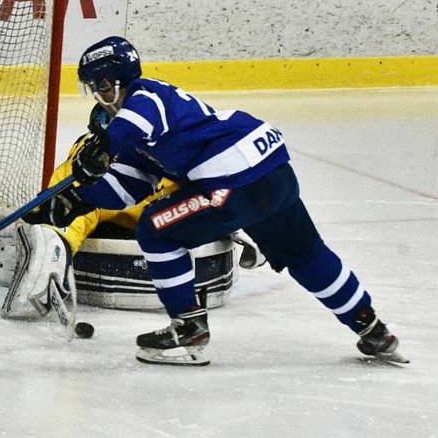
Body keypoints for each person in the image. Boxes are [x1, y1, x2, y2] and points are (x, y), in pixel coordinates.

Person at [24, 35, 406, 366]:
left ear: (116, 82)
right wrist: (73, 202)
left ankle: (188, 329)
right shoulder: (141, 138)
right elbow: (128, 188)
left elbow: (132, 124)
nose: (101, 99)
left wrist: (105, 148)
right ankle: (373, 330)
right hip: (271, 173)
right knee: (305, 254)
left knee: (156, 231)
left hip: (233, 182)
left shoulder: (146, 96)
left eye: (102, 88)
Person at [0, 103, 263, 319]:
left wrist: (238, 213)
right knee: (79, 203)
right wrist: (54, 235)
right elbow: (64, 196)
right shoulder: (88, 152)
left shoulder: (165, 148)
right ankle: (53, 249)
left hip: (156, 207)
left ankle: (54, 242)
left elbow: (215, 174)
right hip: (117, 205)